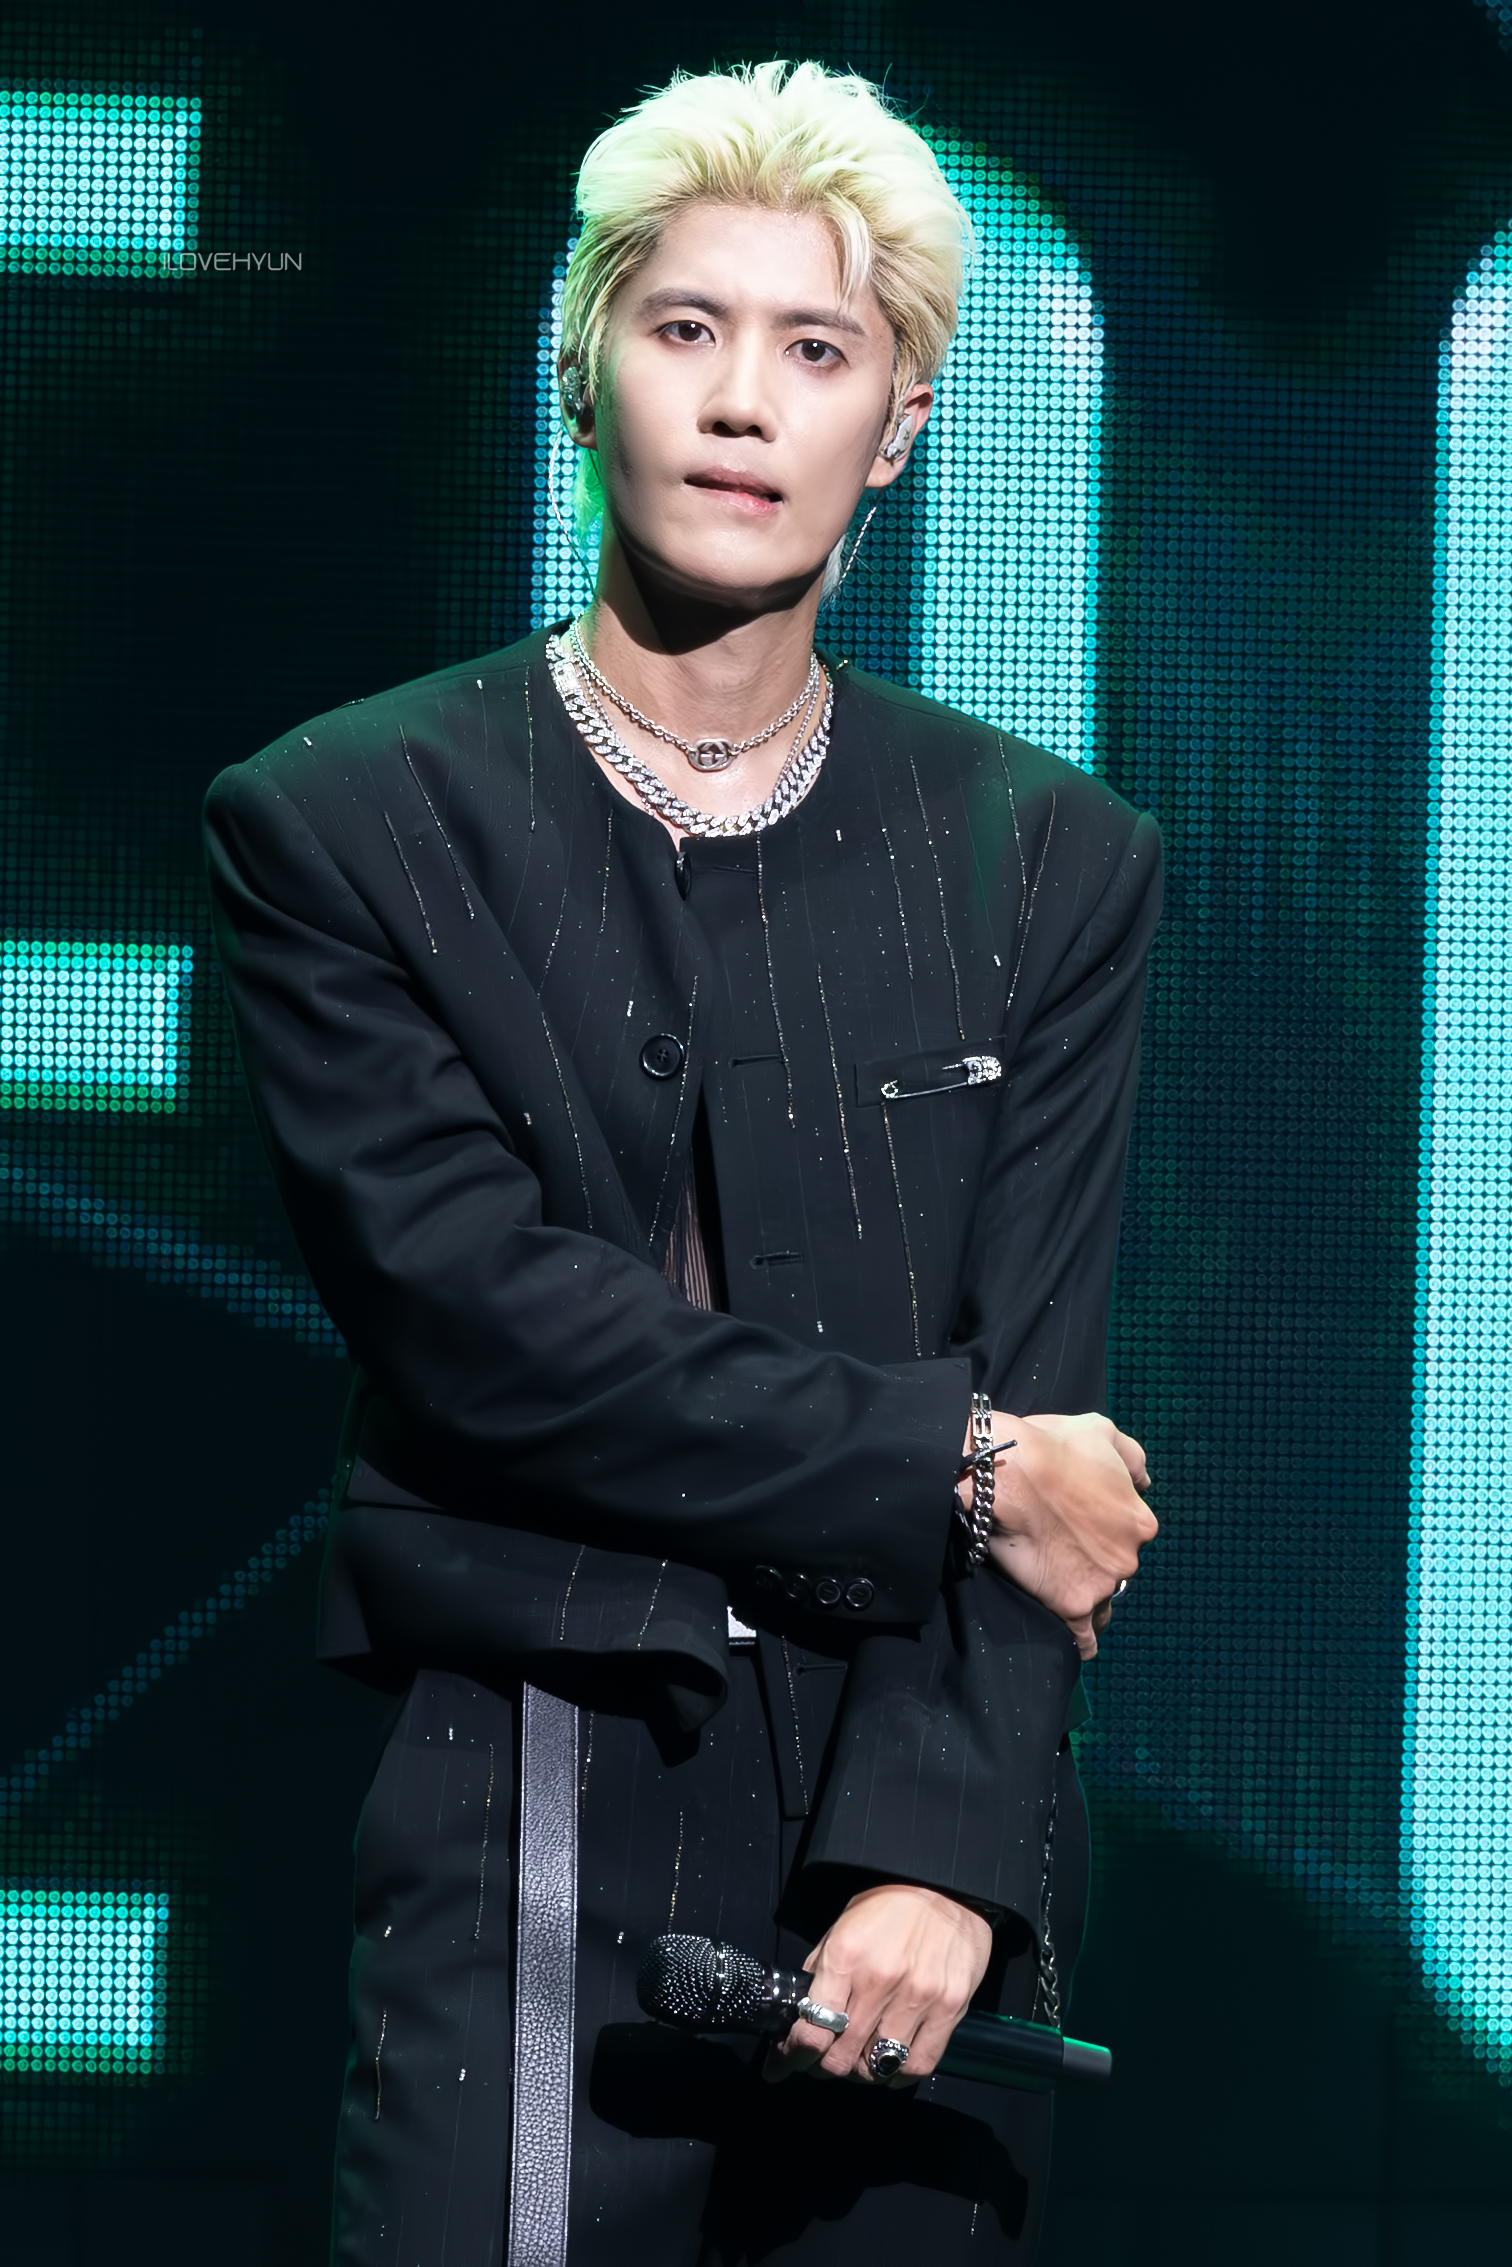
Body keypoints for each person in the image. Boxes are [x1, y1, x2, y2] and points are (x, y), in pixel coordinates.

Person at [204, 59, 1160, 2267]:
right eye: (687, 328)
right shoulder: (344, 818)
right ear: (583, 370)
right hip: (529, 1770)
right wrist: (954, 1463)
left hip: (919, 1805)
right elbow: (479, 1323)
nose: (744, 401)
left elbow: (1047, 1381)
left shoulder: (1047, 860)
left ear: (897, 429)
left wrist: (944, 1855)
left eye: (817, 350)